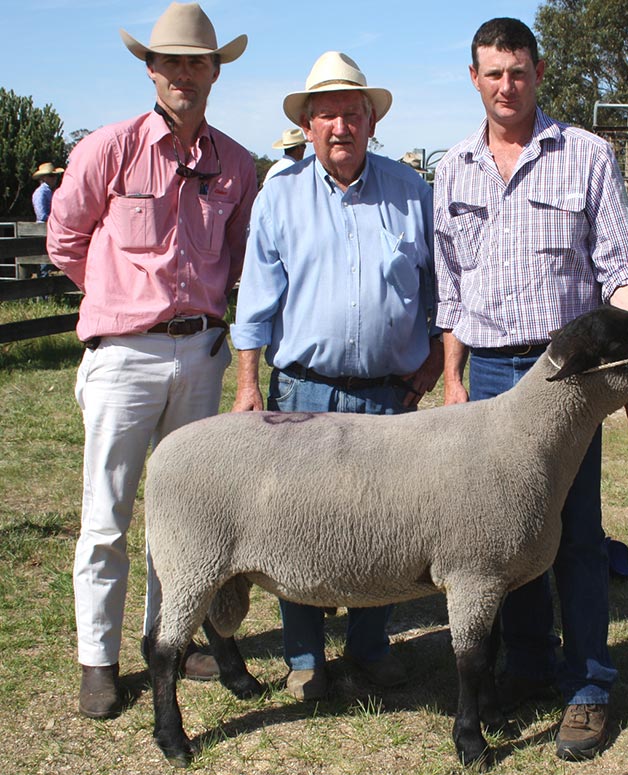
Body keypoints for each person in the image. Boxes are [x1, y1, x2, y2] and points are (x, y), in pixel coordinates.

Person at [433, 17, 628, 762]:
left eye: (518, 71)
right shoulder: (453, 166)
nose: (506, 85)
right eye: (492, 72)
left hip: (569, 379)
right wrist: (453, 376)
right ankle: (528, 664)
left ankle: (588, 685)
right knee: (503, 537)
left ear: (539, 70)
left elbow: (621, 268)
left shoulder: (586, 154)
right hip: (491, 371)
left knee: (577, 533)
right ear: (474, 77)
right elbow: (450, 288)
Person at [46, 1, 257, 721]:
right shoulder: (107, 148)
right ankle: (97, 658)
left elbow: (240, 253)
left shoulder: (234, 163)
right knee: (106, 512)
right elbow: (65, 239)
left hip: (200, 352)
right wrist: (115, 300)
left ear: (215, 72)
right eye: (172, 62)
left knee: (185, 513)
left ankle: (166, 638)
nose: (185, 74)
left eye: (197, 62)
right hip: (124, 353)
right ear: (150, 69)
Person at [230, 50, 443, 702]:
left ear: (371, 121)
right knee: (297, 524)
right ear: (310, 124)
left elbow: (443, 298)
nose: (341, 126)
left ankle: (370, 649)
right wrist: (246, 384)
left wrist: (429, 373)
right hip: (302, 388)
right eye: (328, 114)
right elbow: (256, 302)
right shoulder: (280, 196)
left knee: (383, 528)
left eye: (353, 113)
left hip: (387, 393)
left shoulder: (414, 194)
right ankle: (303, 657)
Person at [31, 162, 64, 277]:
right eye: (51, 175)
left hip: (49, 229)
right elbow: (42, 215)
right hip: (43, 230)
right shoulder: (41, 192)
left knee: (48, 260)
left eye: (55, 175)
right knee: (45, 261)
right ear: (43, 178)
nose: (54, 178)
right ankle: (44, 292)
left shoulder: (49, 192)